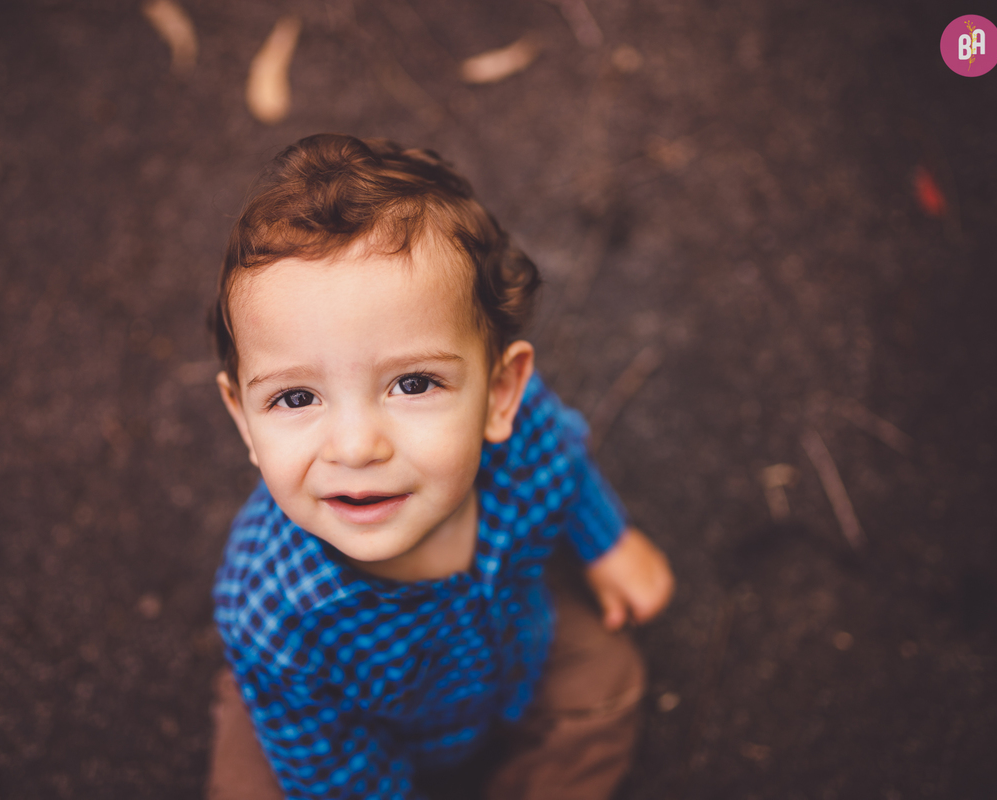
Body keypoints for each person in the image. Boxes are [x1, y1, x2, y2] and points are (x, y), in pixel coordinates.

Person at [206, 133, 674, 800]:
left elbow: (561, 455)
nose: (356, 446)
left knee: (610, 684)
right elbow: (344, 782)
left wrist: (606, 541)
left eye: (414, 384)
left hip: (513, 650)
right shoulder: (274, 617)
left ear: (498, 394)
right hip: (325, 732)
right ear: (243, 418)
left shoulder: (522, 435)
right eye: (296, 397)